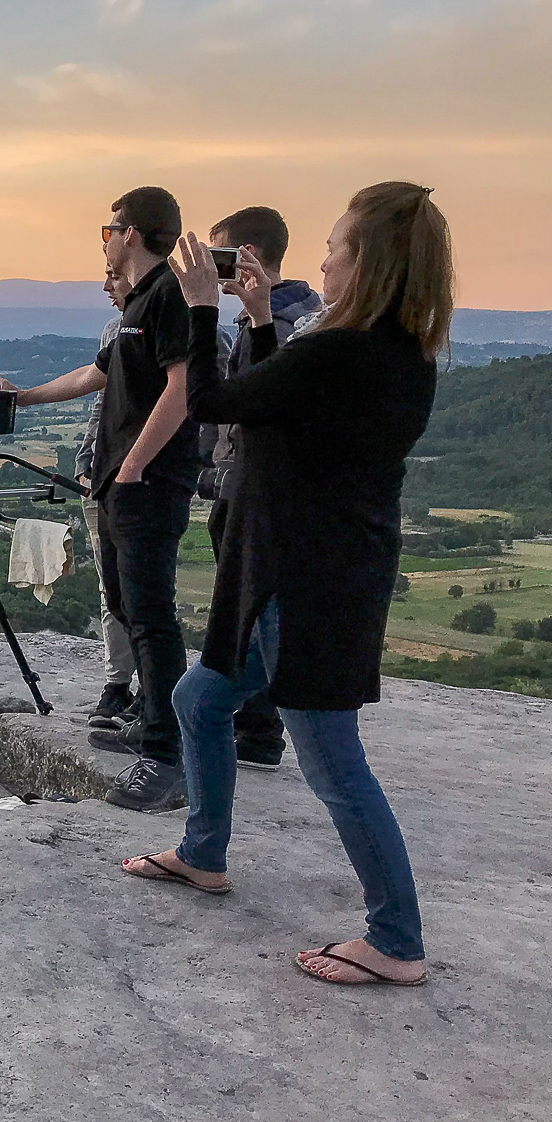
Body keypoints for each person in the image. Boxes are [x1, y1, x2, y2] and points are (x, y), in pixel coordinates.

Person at [123, 182, 451, 988]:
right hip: (304, 568)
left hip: (306, 583)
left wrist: (203, 309)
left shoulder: (343, 349)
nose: (324, 259)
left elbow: (215, 402)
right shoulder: (391, 348)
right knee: (201, 701)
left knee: (333, 763)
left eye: (336, 246)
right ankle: (203, 855)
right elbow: (277, 407)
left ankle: (396, 940)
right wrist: (263, 319)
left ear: (366, 261)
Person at [0, 187, 196, 811]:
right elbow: (96, 375)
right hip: (118, 483)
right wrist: (20, 396)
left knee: (153, 616)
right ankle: (151, 724)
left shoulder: (170, 297)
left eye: (107, 229)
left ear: (130, 233)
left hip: (145, 485)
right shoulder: (137, 303)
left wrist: (134, 464)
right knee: (133, 612)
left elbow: (183, 388)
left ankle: (168, 756)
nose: (105, 240)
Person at [195, 207, 324, 769]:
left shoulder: (291, 321)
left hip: (260, 491)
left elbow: (245, 405)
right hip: (245, 483)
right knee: (249, 617)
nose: (216, 270)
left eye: (221, 255)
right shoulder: (268, 316)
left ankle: (259, 731)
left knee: (248, 616)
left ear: (249, 255)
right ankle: (256, 728)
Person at [77, 267, 138, 731]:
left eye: (113, 276)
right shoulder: (113, 331)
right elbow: (101, 403)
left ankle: (152, 695)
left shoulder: (192, 329)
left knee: (143, 590)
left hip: (140, 482)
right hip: (100, 476)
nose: (106, 288)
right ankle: (118, 684)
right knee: (110, 587)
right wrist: (85, 460)